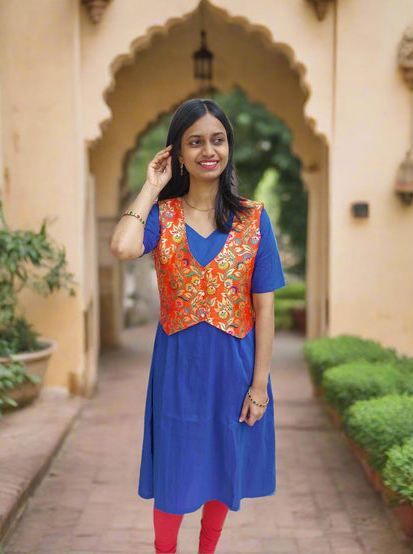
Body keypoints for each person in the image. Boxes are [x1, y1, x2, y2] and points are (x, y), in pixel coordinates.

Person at [109, 98, 286, 554]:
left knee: (222, 467)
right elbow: (123, 246)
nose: (209, 150)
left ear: (228, 146)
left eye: (218, 139)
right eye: (195, 142)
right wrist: (151, 187)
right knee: (175, 470)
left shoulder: (253, 219)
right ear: (179, 153)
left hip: (235, 371)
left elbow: (264, 309)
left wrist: (260, 386)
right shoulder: (163, 217)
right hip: (179, 373)